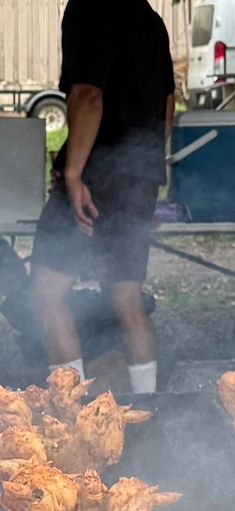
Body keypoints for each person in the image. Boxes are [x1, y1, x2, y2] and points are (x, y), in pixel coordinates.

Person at [29, 0, 176, 394]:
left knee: (46, 292)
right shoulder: (150, 20)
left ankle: (70, 414)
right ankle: (148, 408)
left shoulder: (88, 7)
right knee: (127, 298)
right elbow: (167, 108)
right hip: (138, 178)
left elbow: (89, 95)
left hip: (96, 179)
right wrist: (141, 180)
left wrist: (74, 173)